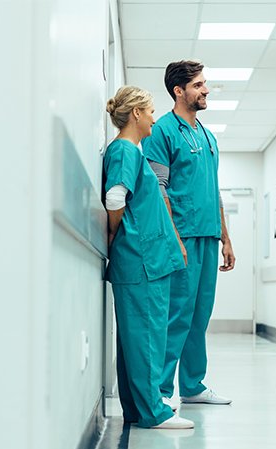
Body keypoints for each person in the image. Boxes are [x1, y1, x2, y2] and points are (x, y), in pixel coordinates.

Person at [141, 60, 235, 408]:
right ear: (179, 91)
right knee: (177, 315)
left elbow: (215, 189)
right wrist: (174, 239)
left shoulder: (208, 136)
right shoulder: (162, 131)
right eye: (198, 85)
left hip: (208, 237)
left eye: (204, 83)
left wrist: (226, 237)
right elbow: (159, 189)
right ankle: (161, 392)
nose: (205, 90)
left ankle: (193, 386)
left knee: (199, 315)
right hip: (181, 238)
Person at [103, 85, 194, 429]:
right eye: (152, 111)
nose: (155, 118)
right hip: (141, 259)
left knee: (136, 338)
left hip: (142, 258)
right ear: (137, 114)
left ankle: (140, 410)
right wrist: (116, 234)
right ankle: (154, 411)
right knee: (147, 337)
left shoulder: (129, 151)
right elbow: (115, 198)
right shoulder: (126, 150)